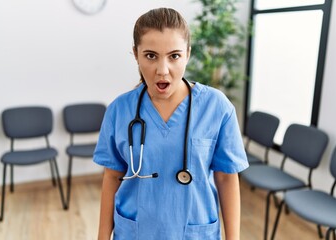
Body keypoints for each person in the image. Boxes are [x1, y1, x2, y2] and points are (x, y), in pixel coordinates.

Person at [93, 7, 248, 240]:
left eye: (174, 56)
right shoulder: (119, 110)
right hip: (136, 233)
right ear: (136, 54)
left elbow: (226, 177)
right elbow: (111, 176)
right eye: (151, 56)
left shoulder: (217, 107)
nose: (162, 70)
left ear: (188, 54)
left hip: (195, 233)